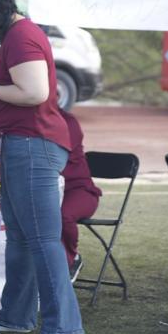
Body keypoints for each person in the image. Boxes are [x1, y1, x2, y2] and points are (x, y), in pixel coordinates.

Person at [0, 0, 84, 334]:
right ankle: (17, 314)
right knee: (20, 237)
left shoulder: (21, 36)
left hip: (32, 146)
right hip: (22, 144)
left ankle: (62, 326)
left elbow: (35, 92)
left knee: (43, 238)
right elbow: (24, 94)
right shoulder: (17, 36)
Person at [60, 110, 101, 282]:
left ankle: (72, 259)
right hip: (50, 189)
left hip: (79, 189)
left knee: (63, 215)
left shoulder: (67, 121)